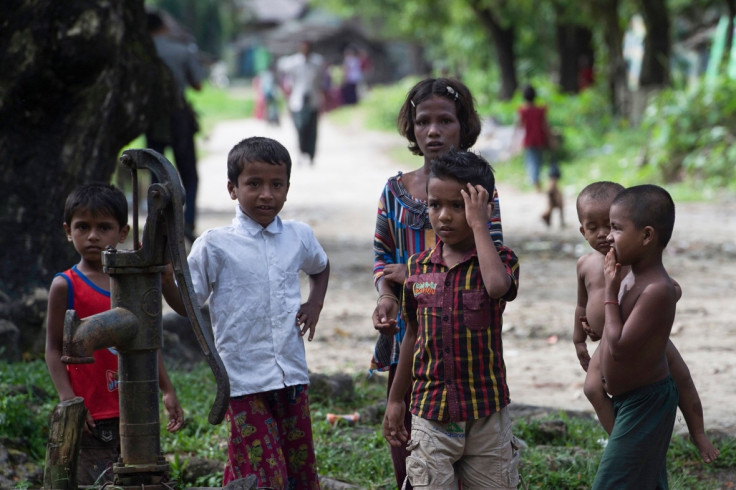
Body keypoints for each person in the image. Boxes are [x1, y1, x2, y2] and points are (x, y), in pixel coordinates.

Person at [164, 136, 330, 488]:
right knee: (263, 474)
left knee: (299, 472)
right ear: (232, 189)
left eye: (276, 184)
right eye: (254, 184)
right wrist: (166, 278)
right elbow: (187, 305)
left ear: (287, 188)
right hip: (243, 381)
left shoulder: (298, 236)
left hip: (292, 376)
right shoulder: (215, 244)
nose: (266, 194)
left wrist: (314, 302)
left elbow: (320, 266)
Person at [371, 77, 504, 489]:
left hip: (464, 338)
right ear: (410, 128)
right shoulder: (394, 192)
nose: (433, 131)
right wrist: (387, 296)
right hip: (411, 331)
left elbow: (491, 265)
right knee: (410, 443)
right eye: (422, 121)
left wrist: (412, 274)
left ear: (463, 126)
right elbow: (381, 256)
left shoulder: (479, 191)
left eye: (445, 121)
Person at [383, 149, 520, 489]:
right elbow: (411, 337)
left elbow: (497, 286)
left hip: (486, 411)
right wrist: (396, 399)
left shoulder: (501, 260)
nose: (443, 216)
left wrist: (479, 225)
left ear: (483, 208)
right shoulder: (418, 268)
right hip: (430, 412)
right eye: (434, 205)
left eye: (458, 206)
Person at [45, 183, 184, 485]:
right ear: (68, 231)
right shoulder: (65, 285)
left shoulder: (132, 281)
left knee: (142, 477)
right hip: (93, 417)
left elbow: (146, 344)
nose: (92, 236)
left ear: (122, 232)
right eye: (83, 227)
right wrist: (71, 402)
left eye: (103, 227)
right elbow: (54, 350)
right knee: (97, 482)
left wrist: (167, 389)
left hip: (135, 410)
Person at [574, 181, 719, 463]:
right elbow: (582, 304)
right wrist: (580, 336)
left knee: (682, 378)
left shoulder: (631, 259)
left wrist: (653, 310)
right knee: (592, 388)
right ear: (582, 230)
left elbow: (670, 288)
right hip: (608, 341)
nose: (606, 236)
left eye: (613, 226)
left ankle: (698, 433)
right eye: (594, 228)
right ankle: (624, 445)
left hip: (645, 338)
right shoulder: (586, 264)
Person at [591, 184, 687, 488]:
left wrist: (609, 291)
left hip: (646, 402)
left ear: (646, 236)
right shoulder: (632, 273)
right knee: (646, 480)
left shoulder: (656, 288)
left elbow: (618, 346)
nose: (608, 236)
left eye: (616, 228)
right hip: (627, 398)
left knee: (610, 482)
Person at [145, 10, 205, 242]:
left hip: (151, 117)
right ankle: (187, 223)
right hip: (179, 117)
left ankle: (156, 226)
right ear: (163, 26)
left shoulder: (140, 52)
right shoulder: (182, 50)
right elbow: (198, 84)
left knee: (155, 173)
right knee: (188, 174)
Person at [277, 41, 325, 165]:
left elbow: (321, 80)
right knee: (300, 128)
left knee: (312, 129)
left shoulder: (317, 62)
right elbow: (281, 68)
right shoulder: (293, 62)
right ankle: (301, 152)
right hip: (297, 101)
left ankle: (311, 155)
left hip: (313, 99)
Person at [514, 84, 559, 195]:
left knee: (531, 162)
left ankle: (536, 185)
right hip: (540, 139)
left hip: (529, 140)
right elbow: (545, 125)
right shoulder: (540, 110)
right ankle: (538, 184)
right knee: (538, 161)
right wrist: (551, 138)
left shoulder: (522, 110)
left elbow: (519, 125)